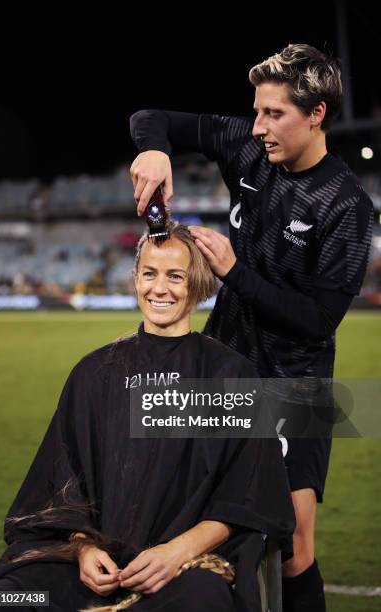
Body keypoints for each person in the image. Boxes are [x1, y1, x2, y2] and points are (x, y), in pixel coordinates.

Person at [129, 43, 374, 612]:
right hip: (221, 368)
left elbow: (318, 321)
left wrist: (234, 271)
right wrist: (156, 153)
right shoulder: (247, 146)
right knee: (192, 522)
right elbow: (149, 118)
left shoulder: (347, 206)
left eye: (274, 114)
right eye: (257, 110)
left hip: (298, 385)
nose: (258, 126)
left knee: (291, 549)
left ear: (315, 114)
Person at [0, 224, 295, 612]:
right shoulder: (94, 372)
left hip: (184, 574)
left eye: (174, 276)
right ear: (135, 278)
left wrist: (176, 552)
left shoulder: (231, 375)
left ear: (196, 283)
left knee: (203, 602)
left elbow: (250, 497)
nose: (159, 288)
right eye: (149, 273)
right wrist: (83, 549)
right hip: (94, 573)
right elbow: (60, 484)